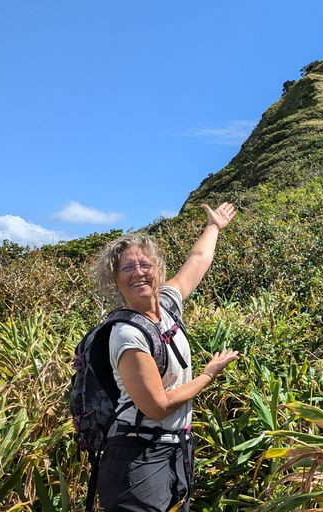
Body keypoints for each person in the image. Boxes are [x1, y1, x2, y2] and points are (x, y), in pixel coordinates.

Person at [92, 202, 240, 511]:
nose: (138, 273)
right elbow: (157, 406)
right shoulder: (127, 334)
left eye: (145, 264)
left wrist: (213, 226)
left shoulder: (169, 304)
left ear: (158, 268)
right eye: (127, 268)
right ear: (115, 280)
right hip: (138, 456)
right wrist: (209, 373)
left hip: (175, 449)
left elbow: (198, 259)